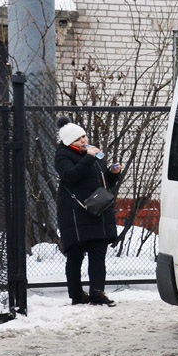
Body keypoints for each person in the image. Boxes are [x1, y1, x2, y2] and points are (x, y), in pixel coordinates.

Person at [54, 119, 123, 306]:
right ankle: (76, 295)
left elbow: (104, 180)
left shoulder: (92, 152)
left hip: (98, 210)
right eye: (78, 139)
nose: (84, 140)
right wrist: (89, 158)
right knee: (75, 254)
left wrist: (113, 173)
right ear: (69, 142)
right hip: (75, 212)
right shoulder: (63, 155)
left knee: (98, 252)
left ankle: (97, 292)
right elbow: (70, 176)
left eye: (84, 136)